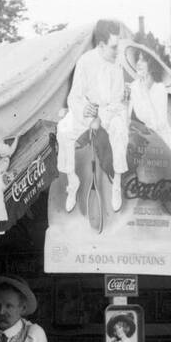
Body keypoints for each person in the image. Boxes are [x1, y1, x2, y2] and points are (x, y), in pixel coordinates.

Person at [58, 20, 126, 213]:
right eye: (114, 47)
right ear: (102, 45)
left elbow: (117, 99)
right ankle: (73, 182)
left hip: (110, 112)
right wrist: (85, 112)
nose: (117, 51)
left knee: (120, 129)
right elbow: (74, 96)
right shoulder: (85, 61)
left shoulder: (117, 64)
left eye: (118, 45)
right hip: (87, 113)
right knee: (63, 129)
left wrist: (100, 118)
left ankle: (117, 184)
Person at [124, 47, 171, 169]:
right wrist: (125, 101)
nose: (138, 63)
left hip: (160, 142)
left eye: (143, 60)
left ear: (151, 65)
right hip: (139, 141)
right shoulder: (134, 87)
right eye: (137, 59)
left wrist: (145, 92)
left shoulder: (159, 88)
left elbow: (158, 124)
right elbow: (128, 119)